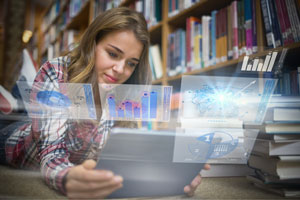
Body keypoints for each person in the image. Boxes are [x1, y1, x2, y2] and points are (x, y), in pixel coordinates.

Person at [0, 7, 209, 199]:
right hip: (15, 141)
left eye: (130, 63)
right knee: (14, 117)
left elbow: (126, 156)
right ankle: (16, 95)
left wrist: (173, 172)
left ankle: (22, 94)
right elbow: (51, 153)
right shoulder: (58, 71)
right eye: (112, 54)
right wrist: (68, 177)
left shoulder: (124, 93)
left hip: (47, 120)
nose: (120, 69)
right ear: (92, 44)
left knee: (33, 106)